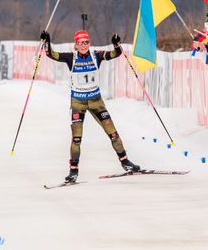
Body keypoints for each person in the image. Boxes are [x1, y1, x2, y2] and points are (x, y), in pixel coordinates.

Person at [40, 29, 141, 183]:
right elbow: (51, 54)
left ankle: (125, 162)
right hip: (78, 102)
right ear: (76, 45)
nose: (83, 45)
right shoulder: (71, 58)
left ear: (89, 43)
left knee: (112, 133)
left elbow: (115, 54)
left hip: (96, 102)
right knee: (77, 138)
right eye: (80, 43)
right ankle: (73, 171)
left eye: (86, 42)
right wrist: (47, 41)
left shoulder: (96, 55)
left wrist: (116, 44)